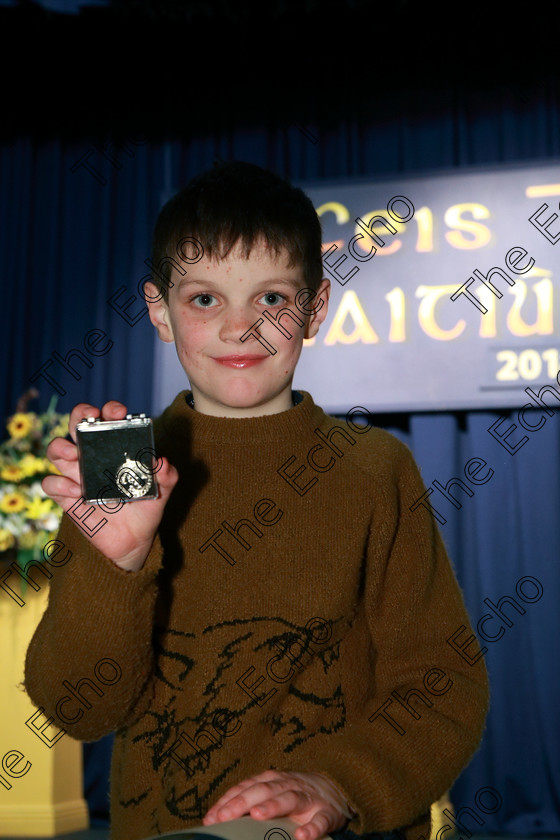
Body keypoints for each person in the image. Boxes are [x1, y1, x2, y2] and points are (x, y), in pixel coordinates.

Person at [25, 160, 489, 840]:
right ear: (159, 311)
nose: (240, 328)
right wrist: (116, 566)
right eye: (205, 299)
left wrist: (338, 782)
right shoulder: (123, 465)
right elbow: (77, 708)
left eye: (271, 298)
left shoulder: (376, 468)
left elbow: (443, 687)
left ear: (316, 310)